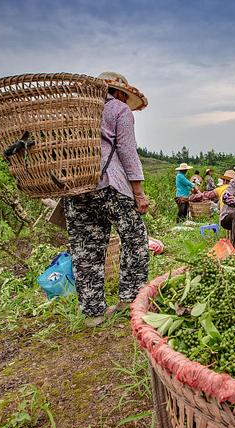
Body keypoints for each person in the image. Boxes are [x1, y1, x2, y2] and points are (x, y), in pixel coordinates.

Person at [64, 71, 149, 328]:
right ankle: (129, 300)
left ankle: (93, 313)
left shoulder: (76, 111)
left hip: (76, 187)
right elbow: (126, 151)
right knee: (134, 239)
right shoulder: (120, 110)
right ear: (121, 93)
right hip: (110, 184)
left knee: (85, 249)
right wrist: (139, 193)